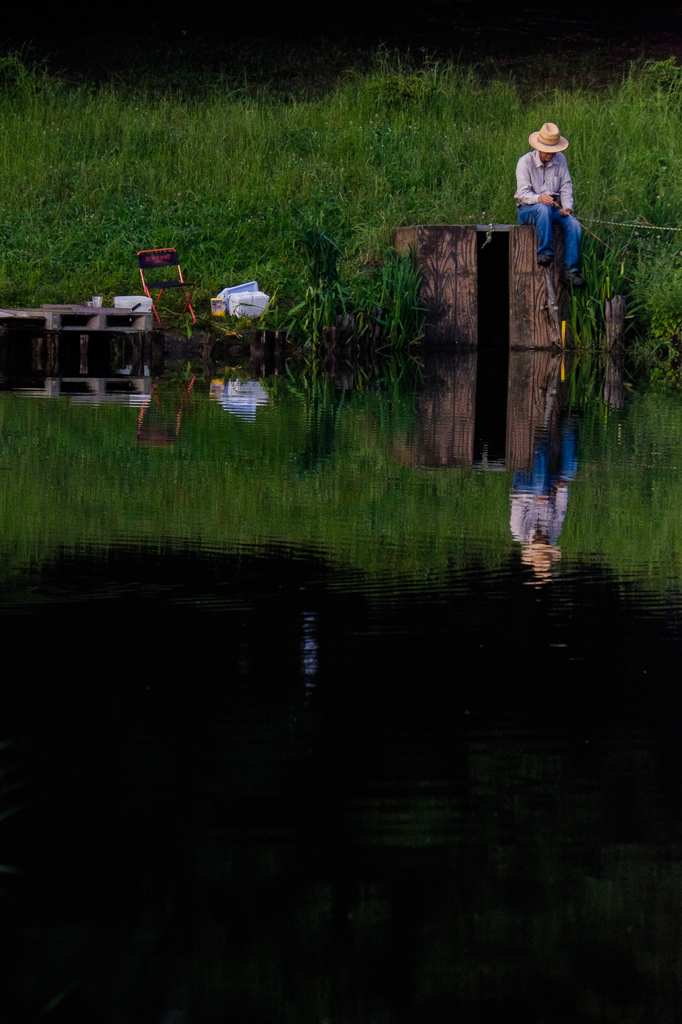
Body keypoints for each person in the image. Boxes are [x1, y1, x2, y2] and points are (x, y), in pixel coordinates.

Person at [515, 122, 585, 288]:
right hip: (528, 209)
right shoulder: (525, 162)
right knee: (543, 208)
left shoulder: (561, 159)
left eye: (553, 151)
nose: (551, 155)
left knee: (573, 224)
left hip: (554, 209)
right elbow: (522, 195)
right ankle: (545, 252)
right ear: (539, 148)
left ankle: (569, 270)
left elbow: (566, 185)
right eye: (547, 151)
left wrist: (566, 207)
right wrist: (539, 198)